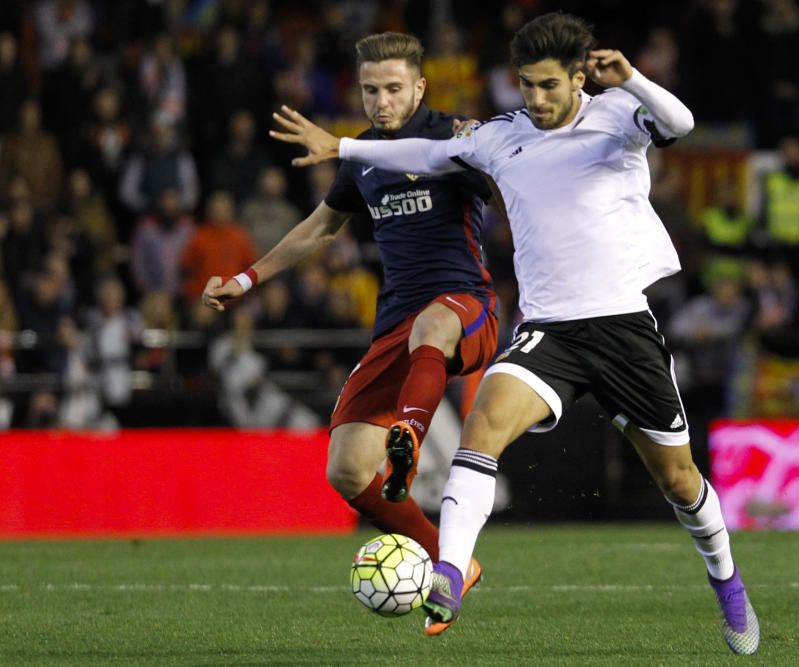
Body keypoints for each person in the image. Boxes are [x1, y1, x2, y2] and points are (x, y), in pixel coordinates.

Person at [270, 12, 759, 654]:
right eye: (526, 84)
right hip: (549, 332)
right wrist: (347, 147)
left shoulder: (616, 116)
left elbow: (680, 125)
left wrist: (634, 78)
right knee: (484, 424)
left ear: (579, 77)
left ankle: (726, 580)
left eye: (549, 85)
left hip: (623, 329)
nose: (536, 99)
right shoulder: (502, 136)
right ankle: (448, 573)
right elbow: (430, 153)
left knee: (678, 481)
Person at [202, 31, 498, 602]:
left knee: (432, 326)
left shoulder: (458, 138)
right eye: (369, 90)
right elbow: (318, 227)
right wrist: (246, 278)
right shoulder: (360, 157)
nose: (380, 102)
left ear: (420, 87)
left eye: (392, 89)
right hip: (397, 326)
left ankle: (408, 441)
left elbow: (509, 177)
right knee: (346, 468)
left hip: (467, 307)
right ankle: (450, 561)